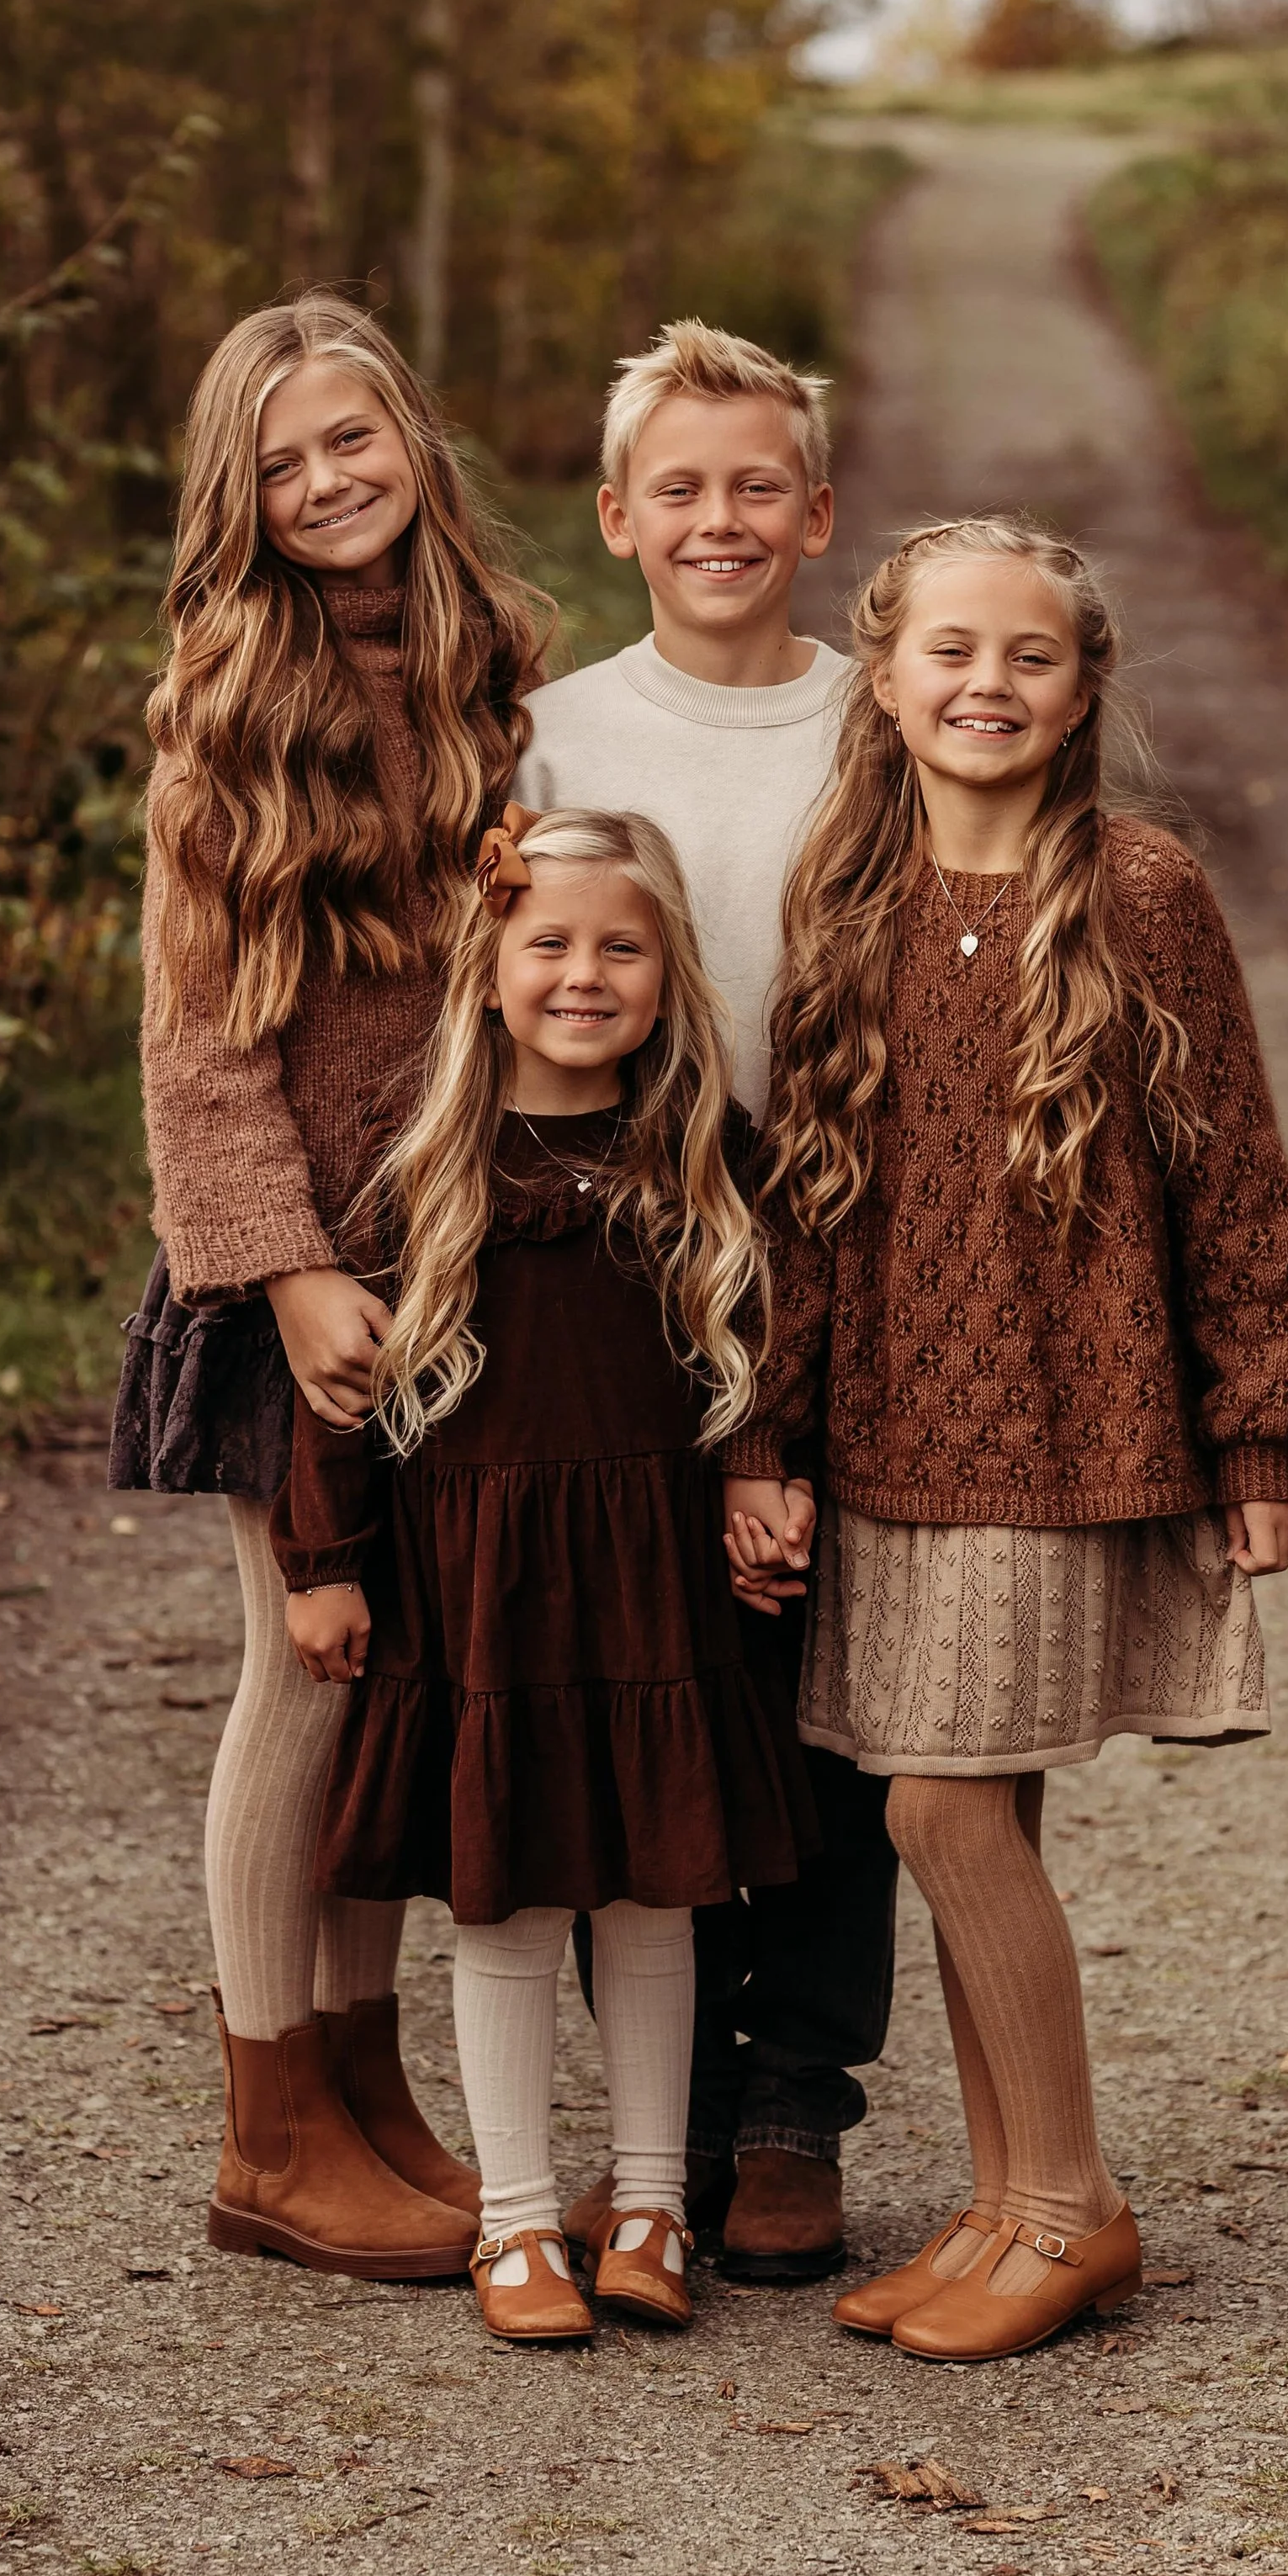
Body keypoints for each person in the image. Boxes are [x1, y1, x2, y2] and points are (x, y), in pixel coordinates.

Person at [724, 512, 1288, 2361]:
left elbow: (1230, 1173)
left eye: (1029, 657)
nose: (985, 685)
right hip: (893, 1438)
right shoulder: (846, 893)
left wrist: (1260, 1430)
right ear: (885, 676)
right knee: (959, 1809)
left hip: (1067, 1436)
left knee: (937, 1805)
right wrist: (768, 1430)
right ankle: (1006, 2206)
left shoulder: (1134, 889)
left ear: (1081, 691)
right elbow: (804, 1211)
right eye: (950, 654)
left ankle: (1061, 2204)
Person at [109, 289, 551, 2281]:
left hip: (462, 1249)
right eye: (281, 464)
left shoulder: (492, 668)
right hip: (299, 1280)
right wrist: (279, 1274)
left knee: (404, 1680)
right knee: (304, 1667)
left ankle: (372, 2087)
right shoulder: (225, 714)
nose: (324, 484)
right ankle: (267, 2127)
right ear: (241, 496)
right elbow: (195, 1046)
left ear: (414, 443)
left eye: (350, 442)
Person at [268, 808, 811, 2344]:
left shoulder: (708, 1153)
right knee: (507, 1909)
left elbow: (776, 1340)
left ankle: (649, 2205)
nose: (584, 973)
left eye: (620, 945)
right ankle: (515, 2221)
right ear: (489, 968)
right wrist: (328, 1566)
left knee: (654, 1897)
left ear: (669, 973)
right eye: (550, 942)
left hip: (654, 1587)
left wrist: (764, 1471)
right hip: (480, 1590)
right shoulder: (423, 1159)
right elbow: (336, 1396)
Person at [513, 318, 894, 2287]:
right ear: (617, 519)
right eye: (680, 486)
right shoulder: (557, 732)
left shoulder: (877, 723)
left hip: (842, 1240)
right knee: (630, 1665)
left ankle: (790, 2103)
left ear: (816, 513)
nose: (720, 517)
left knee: (817, 1679)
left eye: (756, 484)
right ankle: (651, 2116)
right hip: (620, 1263)